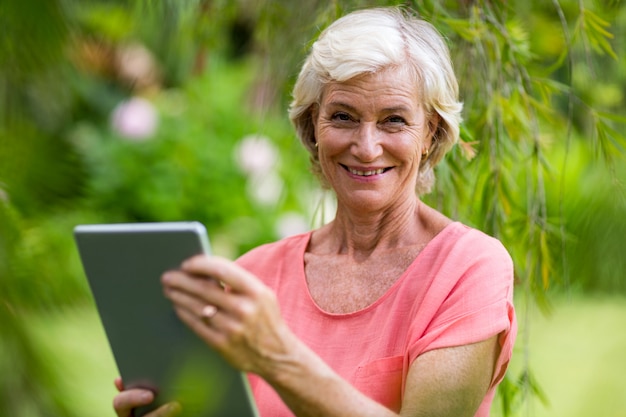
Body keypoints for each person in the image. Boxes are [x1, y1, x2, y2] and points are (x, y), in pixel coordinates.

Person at [113, 6, 517, 417]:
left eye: (393, 120)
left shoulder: (467, 268)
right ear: (312, 125)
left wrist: (280, 358)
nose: (366, 146)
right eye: (343, 116)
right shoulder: (253, 277)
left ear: (430, 132)